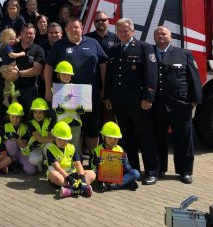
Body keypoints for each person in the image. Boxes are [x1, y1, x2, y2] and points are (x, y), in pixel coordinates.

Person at [103, 18, 160, 185]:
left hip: (139, 102)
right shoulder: (113, 50)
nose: (122, 33)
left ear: (133, 31)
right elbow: (110, 77)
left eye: (126, 30)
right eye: (119, 30)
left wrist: (148, 97)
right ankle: (133, 170)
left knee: (145, 136)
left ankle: (151, 171)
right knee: (127, 137)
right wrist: (107, 96)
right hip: (119, 101)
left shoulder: (144, 48)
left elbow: (151, 75)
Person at [44, 17, 108, 159]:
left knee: (92, 127)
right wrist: (48, 90)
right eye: (71, 27)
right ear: (65, 30)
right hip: (66, 96)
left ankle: (93, 160)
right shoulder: (59, 45)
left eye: (77, 27)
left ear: (82, 28)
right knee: (71, 128)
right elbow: (48, 67)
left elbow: (103, 65)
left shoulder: (93, 43)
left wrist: (104, 88)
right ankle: (71, 161)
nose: (74, 30)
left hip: (90, 95)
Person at [152, 26, 203, 184]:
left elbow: (194, 78)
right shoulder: (149, 53)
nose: (161, 36)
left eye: (164, 33)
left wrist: (195, 100)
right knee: (158, 139)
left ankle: (185, 171)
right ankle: (159, 169)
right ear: (154, 37)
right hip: (157, 105)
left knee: (184, 140)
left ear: (170, 36)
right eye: (158, 34)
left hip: (180, 105)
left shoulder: (184, 53)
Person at [0, 23, 45, 112]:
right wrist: (4, 73)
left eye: (31, 33)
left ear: (35, 35)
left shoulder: (38, 50)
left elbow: (37, 70)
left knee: (29, 117)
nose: (28, 35)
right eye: (26, 32)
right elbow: (1, 63)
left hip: (29, 90)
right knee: (13, 117)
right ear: (21, 33)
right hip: (12, 88)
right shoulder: (12, 47)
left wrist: (18, 74)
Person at [47, 121, 96, 198]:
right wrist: (71, 180)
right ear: (54, 137)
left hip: (72, 174)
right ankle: (82, 188)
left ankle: (71, 191)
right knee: (54, 175)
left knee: (92, 174)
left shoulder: (72, 147)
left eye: (65, 140)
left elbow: (78, 164)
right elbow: (58, 168)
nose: (63, 142)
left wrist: (82, 179)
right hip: (60, 175)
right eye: (60, 139)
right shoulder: (50, 149)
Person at [91, 121, 140, 192]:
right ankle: (126, 183)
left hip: (118, 175)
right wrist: (96, 163)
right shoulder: (97, 150)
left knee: (136, 173)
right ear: (103, 137)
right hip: (104, 175)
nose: (113, 141)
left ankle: (111, 186)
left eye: (116, 138)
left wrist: (126, 165)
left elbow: (129, 170)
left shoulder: (120, 149)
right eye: (110, 138)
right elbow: (92, 169)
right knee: (97, 174)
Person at [50, 61, 84, 151]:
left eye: (68, 75)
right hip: (62, 121)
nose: (66, 77)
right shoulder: (54, 89)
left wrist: (81, 109)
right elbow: (54, 105)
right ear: (58, 75)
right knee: (61, 146)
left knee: (75, 145)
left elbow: (83, 104)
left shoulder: (77, 89)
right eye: (64, 74)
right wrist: (58, 108)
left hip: (76, 121)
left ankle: (76, 163)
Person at [3, 102, 35, 174]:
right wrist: (17, 141)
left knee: (31, 170)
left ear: (21, 117)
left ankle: (20, 164)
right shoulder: (5, 127)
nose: (15, 119)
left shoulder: (25, 127)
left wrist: (16, 137)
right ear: (9, 116)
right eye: (13, 117)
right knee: (10, 142)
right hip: (10, 156)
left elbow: (24, 145)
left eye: (18, 117)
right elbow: (4, 144)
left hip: (22, 154)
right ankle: (14, 163)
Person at [0, 28, 26, 108]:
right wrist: (21, 54)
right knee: (13, 81)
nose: (13, 41)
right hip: (8, 66)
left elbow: (15, 40)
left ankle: (6, 99)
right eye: (10, 39)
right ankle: (14, 97)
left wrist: (18, 38)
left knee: (7, 83)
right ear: (4, 39)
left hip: (6, 66)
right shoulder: (7, 47)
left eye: (13, 38)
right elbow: (12, 55)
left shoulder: (6, 44)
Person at [26, 98, 54, 171]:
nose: (38, 115)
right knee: (33, 160)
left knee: (50, 146)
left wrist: (51, 140)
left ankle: (51, 166)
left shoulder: (50, 121)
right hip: (36, 147)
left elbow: (51, 138)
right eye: (35, 112)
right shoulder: (30, 123)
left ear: (45, 112)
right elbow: (40, 139)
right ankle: (40, 163)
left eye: (40, 112)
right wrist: (54, 141)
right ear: (32, 113)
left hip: (47, 146)